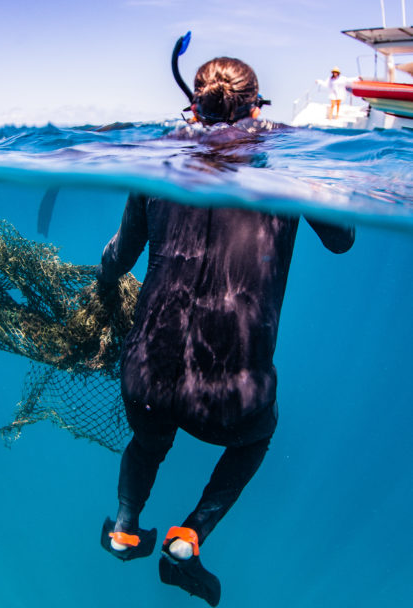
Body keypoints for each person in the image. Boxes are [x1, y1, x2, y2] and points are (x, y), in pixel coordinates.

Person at [97, 55, 355, 606]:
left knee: (147, 440)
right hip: (231, 398)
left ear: (195, 104)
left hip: (145, 377)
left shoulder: (161, 162)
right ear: (254, 105)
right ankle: (190, 536)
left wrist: (102, 277)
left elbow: (118, 258)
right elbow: (342, 239)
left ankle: (123, 527)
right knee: (257, 437)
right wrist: (310, 171)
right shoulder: (286, 163)